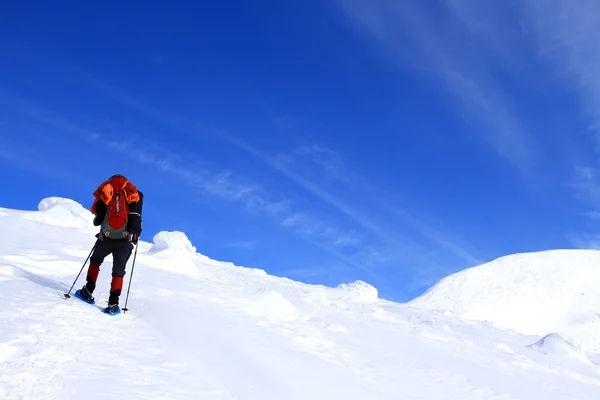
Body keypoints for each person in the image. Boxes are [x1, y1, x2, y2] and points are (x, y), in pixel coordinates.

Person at [76, 174, 143, 314]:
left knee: (95, 261)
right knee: (118, 272)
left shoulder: (106, 194)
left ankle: (88, 290)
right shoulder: (131, 196)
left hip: (105, 239)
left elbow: (97, 222)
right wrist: (135, 236)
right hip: (124, 241)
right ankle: (113, 304)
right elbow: (136, 221)